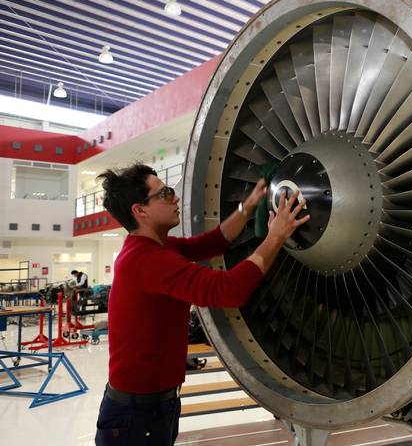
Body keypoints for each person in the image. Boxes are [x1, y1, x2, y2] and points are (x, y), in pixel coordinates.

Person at [94, 163, 309, 445]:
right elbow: (228, 291)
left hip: (151, 408)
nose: (176, 197)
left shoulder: (157, 247)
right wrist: (275, 236)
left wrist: (249, 205)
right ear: (140, 210)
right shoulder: (148, 261)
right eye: (165, 193)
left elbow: (212, 242)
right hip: (136, 417)